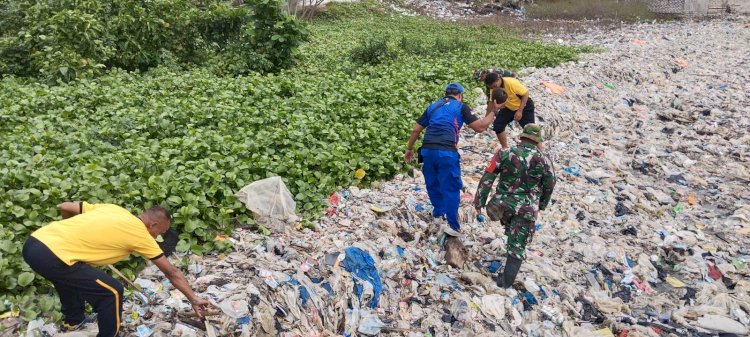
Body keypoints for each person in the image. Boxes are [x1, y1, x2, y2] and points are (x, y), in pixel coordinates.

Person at [22, 202, 209, 337]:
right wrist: (194, 299)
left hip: (34, 243)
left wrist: (70, 232)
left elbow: (65, 206)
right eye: (159, 232)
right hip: (52, 257)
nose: (157, 236)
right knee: (112, 292)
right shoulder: (141, 235)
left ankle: (73, 321)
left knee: (69, 276)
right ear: (152, 225)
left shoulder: (115, 209)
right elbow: (171, 272)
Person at [404, 82, 496, 236]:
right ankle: (453, 225)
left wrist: (409, 149)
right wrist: (493, 112)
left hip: (427, 150)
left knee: (432, 183)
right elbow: (480, 127)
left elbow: (416, 129)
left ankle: (438, 215)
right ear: (460, 95)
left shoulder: (433, 106)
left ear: (446, 94)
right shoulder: (461, 107)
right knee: (451, 187)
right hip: (446, 152)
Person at [473, 124, 556, 288]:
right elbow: (549, 185)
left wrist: (479, 202)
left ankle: (508, 227)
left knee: (509, 223)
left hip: (501, 205)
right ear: (537, 140)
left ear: (522, 137)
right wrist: (542, 205)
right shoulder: (545, 160)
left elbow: (488, 177)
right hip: (526, 209)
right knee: (517, 246)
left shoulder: (504, 153)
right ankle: (505, 283)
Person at [484, 72, 536, 150]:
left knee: (531, 130)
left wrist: (520, 111)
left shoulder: (511, 83)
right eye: (492, 88)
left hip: (524, 106)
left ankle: (539, 152)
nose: (494, 89)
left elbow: (525, 94)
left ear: (498, 80)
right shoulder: (494, 89)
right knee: (498, 125)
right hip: (509, 107)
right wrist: (486, 119)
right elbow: (492, 102)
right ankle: (505, 148)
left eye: (495, 86)